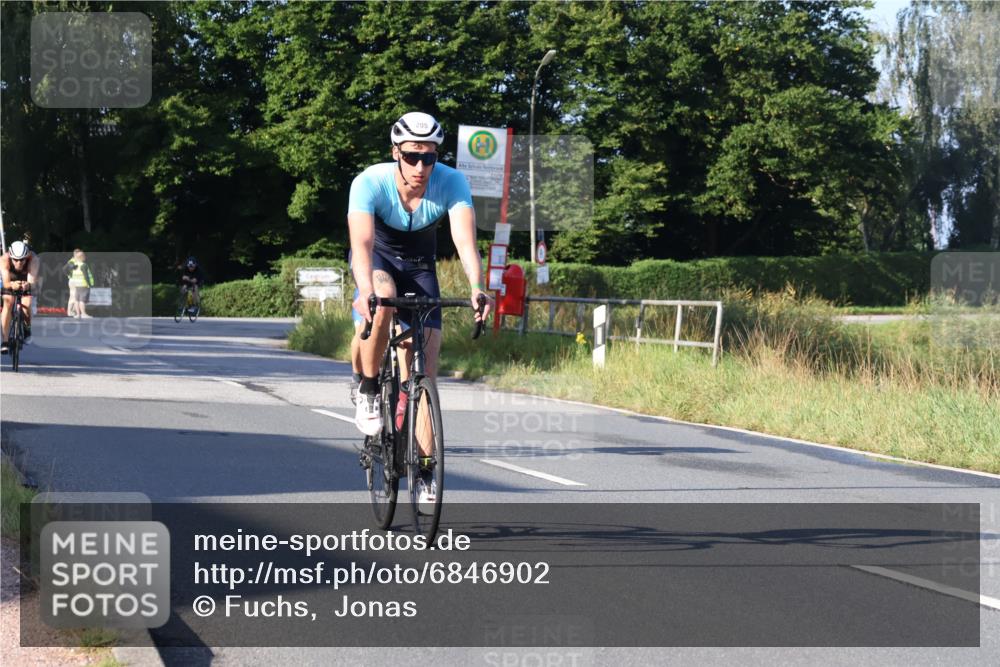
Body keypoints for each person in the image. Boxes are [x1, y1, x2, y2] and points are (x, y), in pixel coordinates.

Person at [348, 112, 492, 499]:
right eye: (412, 156)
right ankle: (367, 386)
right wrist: (364, 291)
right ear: (396, 152)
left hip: (420, 266)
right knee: (380, 304)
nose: (421, 167)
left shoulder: (451, 182)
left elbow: (465, 243)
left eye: (429, 158)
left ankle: (425, 471)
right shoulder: (369, 182)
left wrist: (478, 287)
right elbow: (360, 244)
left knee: (424, 370)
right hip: (377, 261)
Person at [1, 240, 40, 352]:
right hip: (11, 280)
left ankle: (27, 328)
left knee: (26, 304)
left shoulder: (33, 259)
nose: (19, 263)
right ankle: (5, 341)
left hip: (25, 279)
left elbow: (32, 281)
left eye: (22, 259)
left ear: (26, 256)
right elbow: (6, 283)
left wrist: (27, 285)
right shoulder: (4, 259)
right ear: (11, 256)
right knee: (8, 302)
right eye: (16, 260)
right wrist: (12, 285)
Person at [64, 248, 95, 318]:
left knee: (75, 297)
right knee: (74, 297)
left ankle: (75, 312)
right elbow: (64, 269)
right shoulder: (74, 261)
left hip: (76, 281)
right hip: (77, 282)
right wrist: (70, 275)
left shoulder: (75, 261)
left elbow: (65, 269)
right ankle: (71, 312)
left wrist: (70, 274)